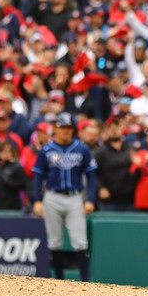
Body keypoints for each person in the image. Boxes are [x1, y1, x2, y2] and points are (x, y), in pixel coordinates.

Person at [32, 113, 96, 280]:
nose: (66, 131)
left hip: (75, 197)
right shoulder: (46, 150)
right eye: (62, 128)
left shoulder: (82, 148)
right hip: (52, 196)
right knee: (54, 242)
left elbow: (91, 176)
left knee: (80, 242)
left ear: (73, 129)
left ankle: (85, 284)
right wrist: (37, 200)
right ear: (56, 129)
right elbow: (38, 176)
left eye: (68, 128)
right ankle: (60, 283)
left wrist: (90, 199)